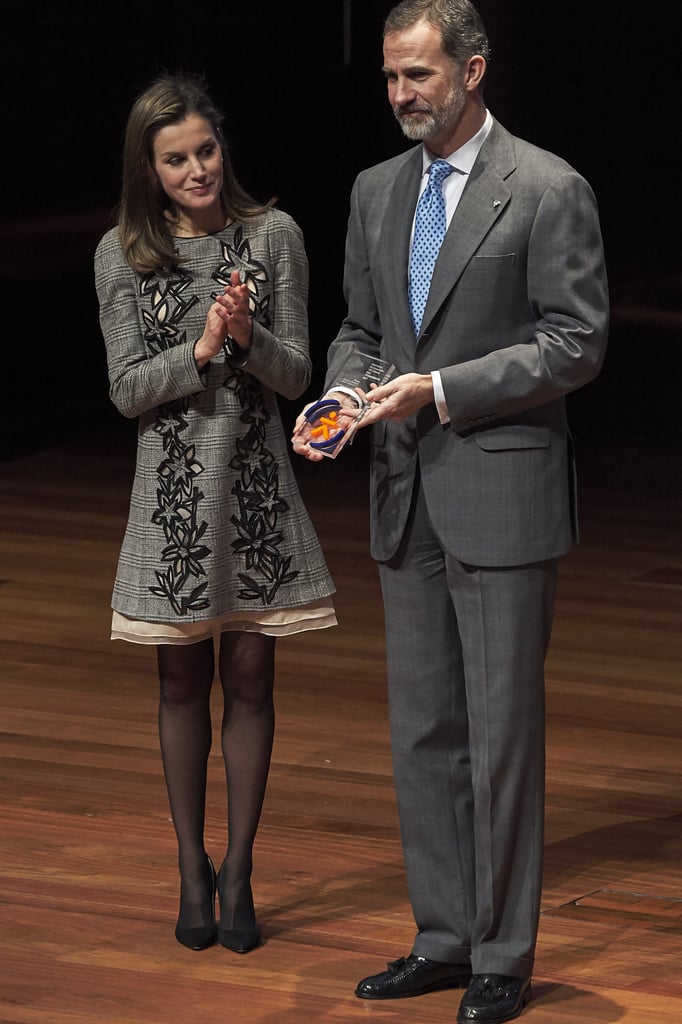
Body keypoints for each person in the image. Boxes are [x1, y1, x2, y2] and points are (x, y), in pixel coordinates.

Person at [292, 1, 608, 1021]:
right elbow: (360, 326)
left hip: (500, 487)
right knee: (423, 729)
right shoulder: (375, 190)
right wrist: (346, 394)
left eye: (417, 75)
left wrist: (442, 388)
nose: (398, 94)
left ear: (473, 70)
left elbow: (574, 341)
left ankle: (502, 952)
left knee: (501, 733)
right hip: (402, 489)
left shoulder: (547, 188)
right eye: (389, 77)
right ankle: (442, 934)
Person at [95, 72, 337, 956]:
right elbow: (126, 391)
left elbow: (299, 375)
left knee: (251, 682)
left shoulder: (274, 237)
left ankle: (238, 870)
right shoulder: (121, 253)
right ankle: (190, 868)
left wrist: (247, 339)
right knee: (180, 683)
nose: (196, 168)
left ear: (221, 147)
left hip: (260, 497)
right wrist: (198, 351)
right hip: (171, 506)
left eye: (205, 150)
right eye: (174, 159)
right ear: (148, 169)